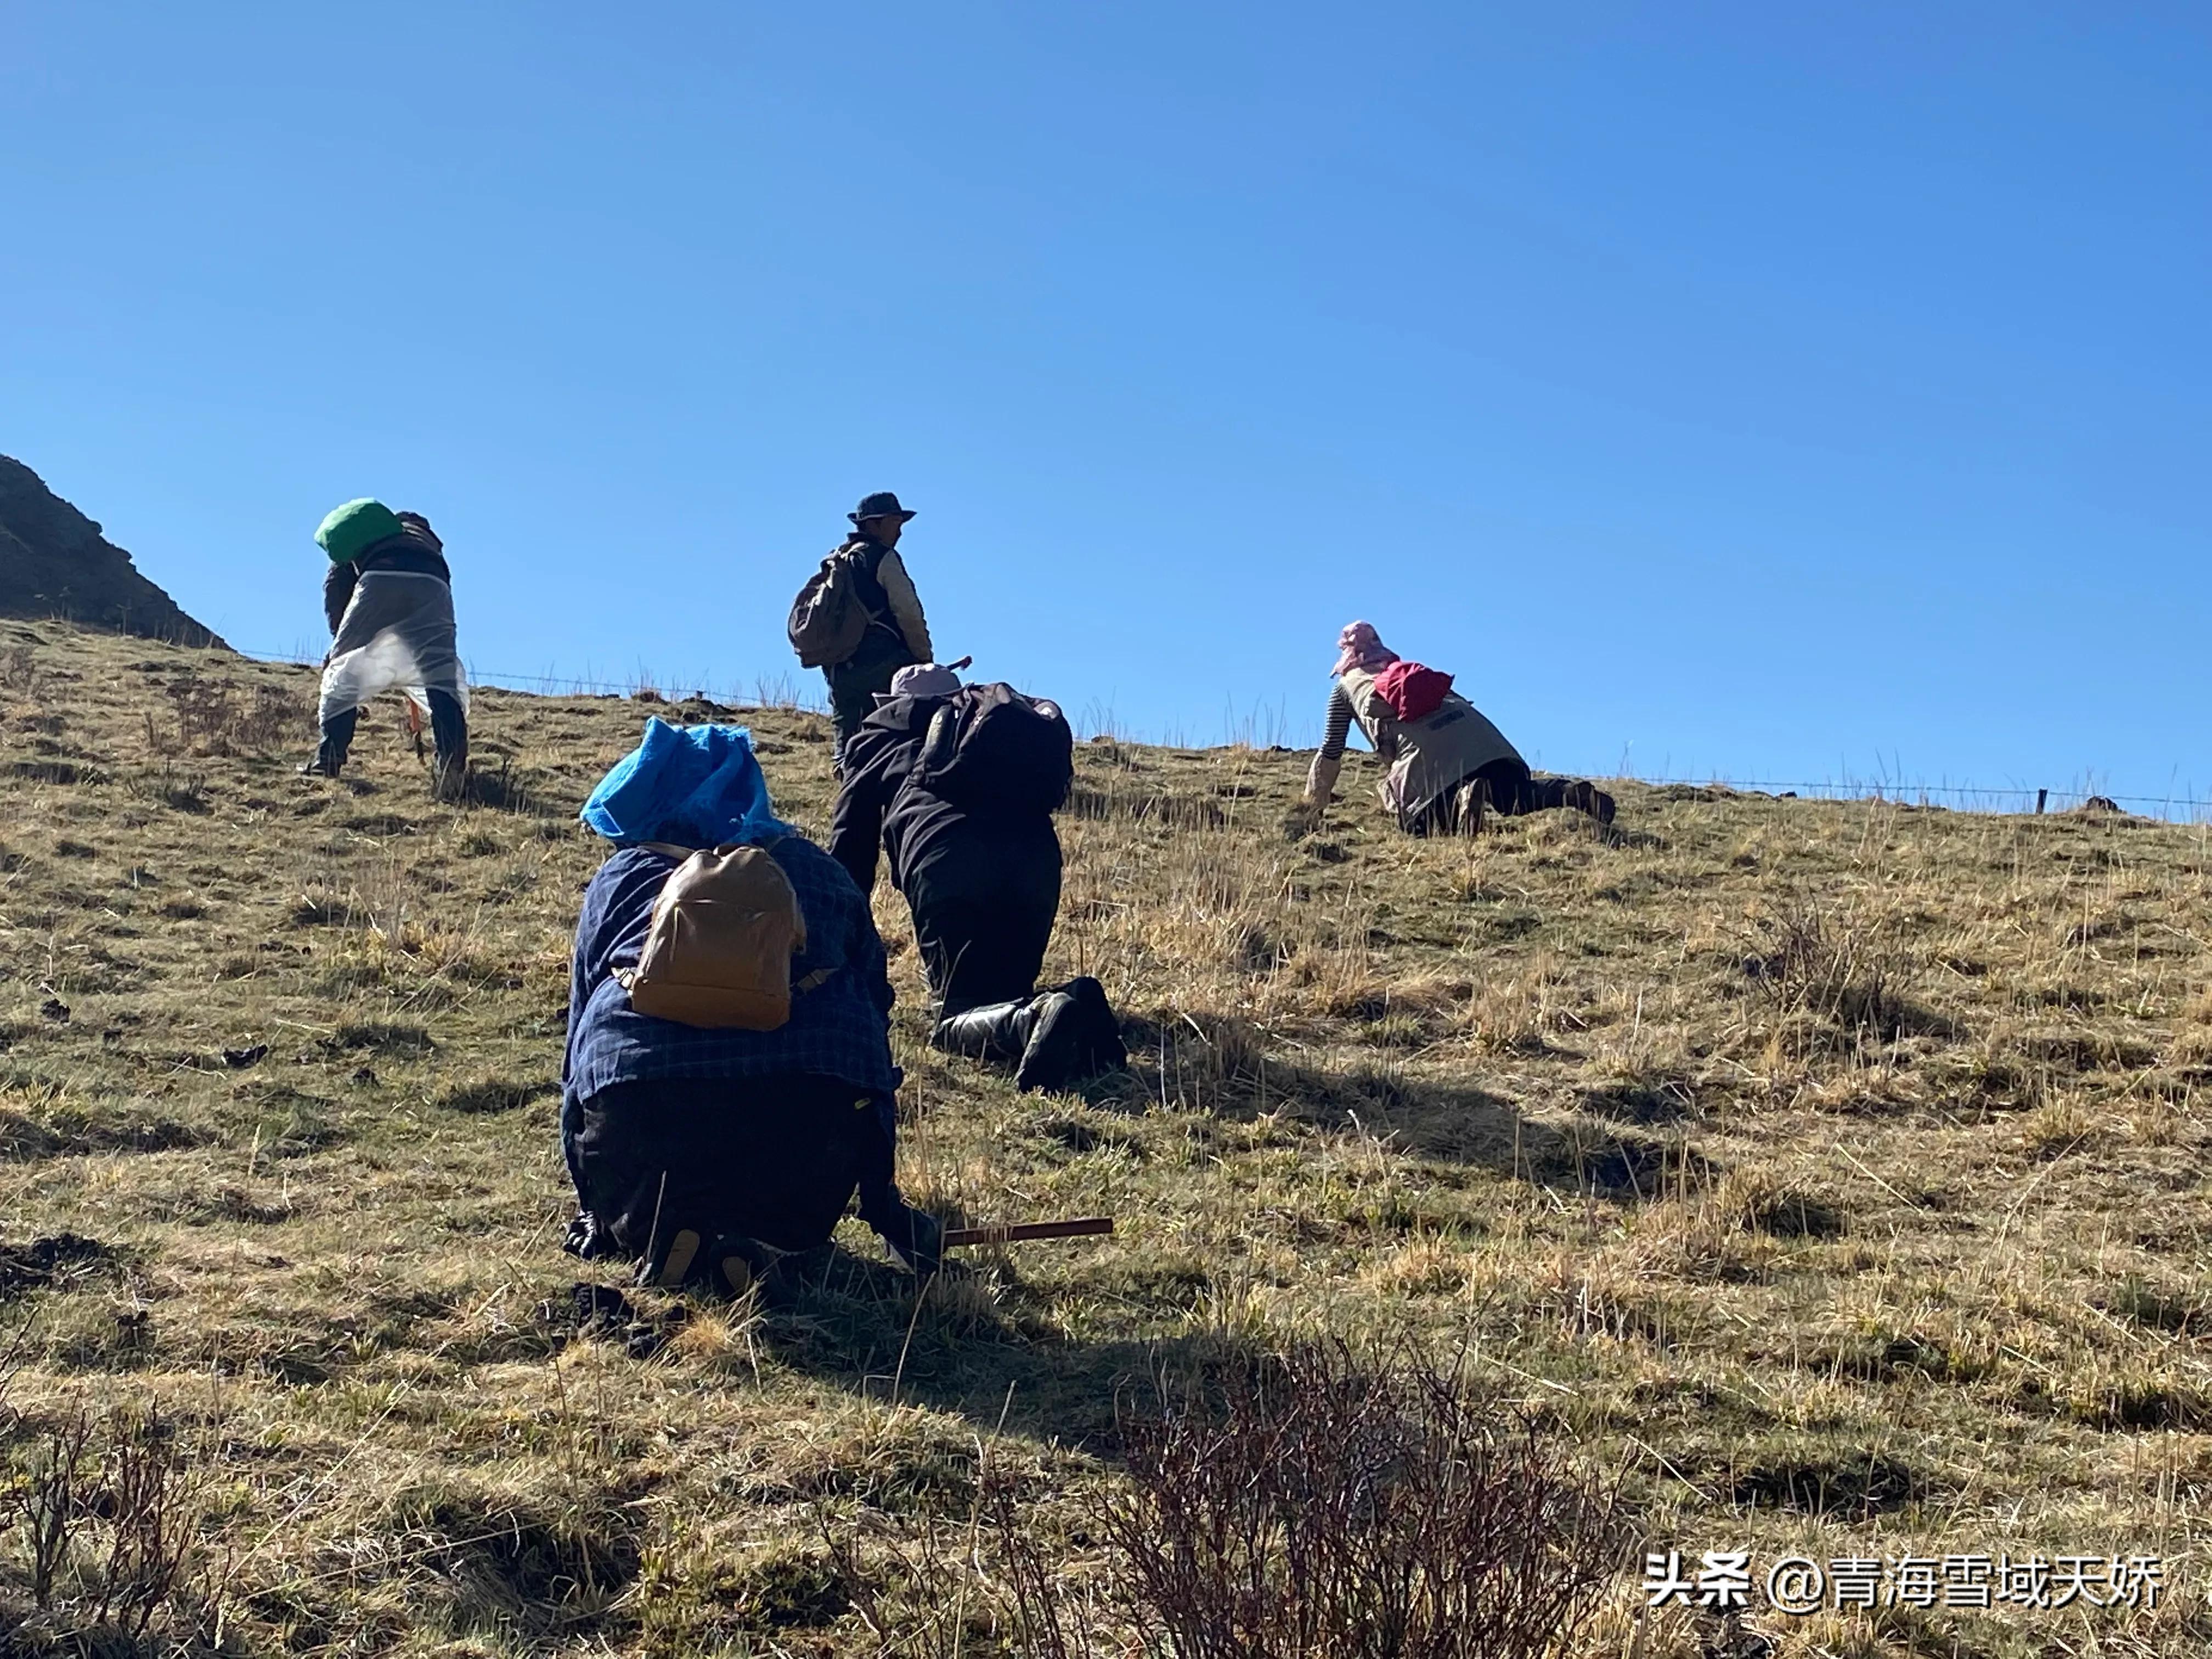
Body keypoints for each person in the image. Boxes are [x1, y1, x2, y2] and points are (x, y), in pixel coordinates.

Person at [561, 717, 940, 1292]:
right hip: (810, 1118)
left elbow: (581, 1034)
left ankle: (655, 1231)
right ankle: (771, 1241)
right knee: (791, 1204)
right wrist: (882, 1199)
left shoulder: (624, 875)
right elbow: (872, 1010)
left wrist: (589, 1196)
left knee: (642, 1187)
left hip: (641, 1111)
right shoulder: (819, 873)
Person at [829, 663, 1123, 1092]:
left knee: (953, 1018)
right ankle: (1077, 1000)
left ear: (895, 702)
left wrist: (838, 934)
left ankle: (1035, 1020)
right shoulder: (983, 733)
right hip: (1036, 866)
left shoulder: (877, 738)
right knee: (1004, 993)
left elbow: (850, 845)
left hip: (947, 867)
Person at [1305, 621, 1615, 834]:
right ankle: (1571, 794)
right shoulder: (1406, 670)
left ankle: (1464, 800)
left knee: (1416, 824)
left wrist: (1312, 807)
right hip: (1484, 741)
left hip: (1429, 757)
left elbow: (1331, 751)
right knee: (1515, 796)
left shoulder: (1346, 688)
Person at [303, 499, 469, 799]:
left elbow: (336, 587)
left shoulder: (364, 537)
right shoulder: (429, 543)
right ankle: (451, 771)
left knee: (344, 675)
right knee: (440, 677)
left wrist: (342, 644)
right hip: (434, 586)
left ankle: (327, 762)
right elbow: (425, 597)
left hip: (379, 578)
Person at [819, 490, 934, 772]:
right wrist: (924, 661)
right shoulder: (883, 558)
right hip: (882, 664)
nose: (900, 533)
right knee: (891, 734)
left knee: (847, 736)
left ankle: (847, 795)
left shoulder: (839, 559)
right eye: (895, 523)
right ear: (875, 524)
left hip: (838, 665)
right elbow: (908, 611)